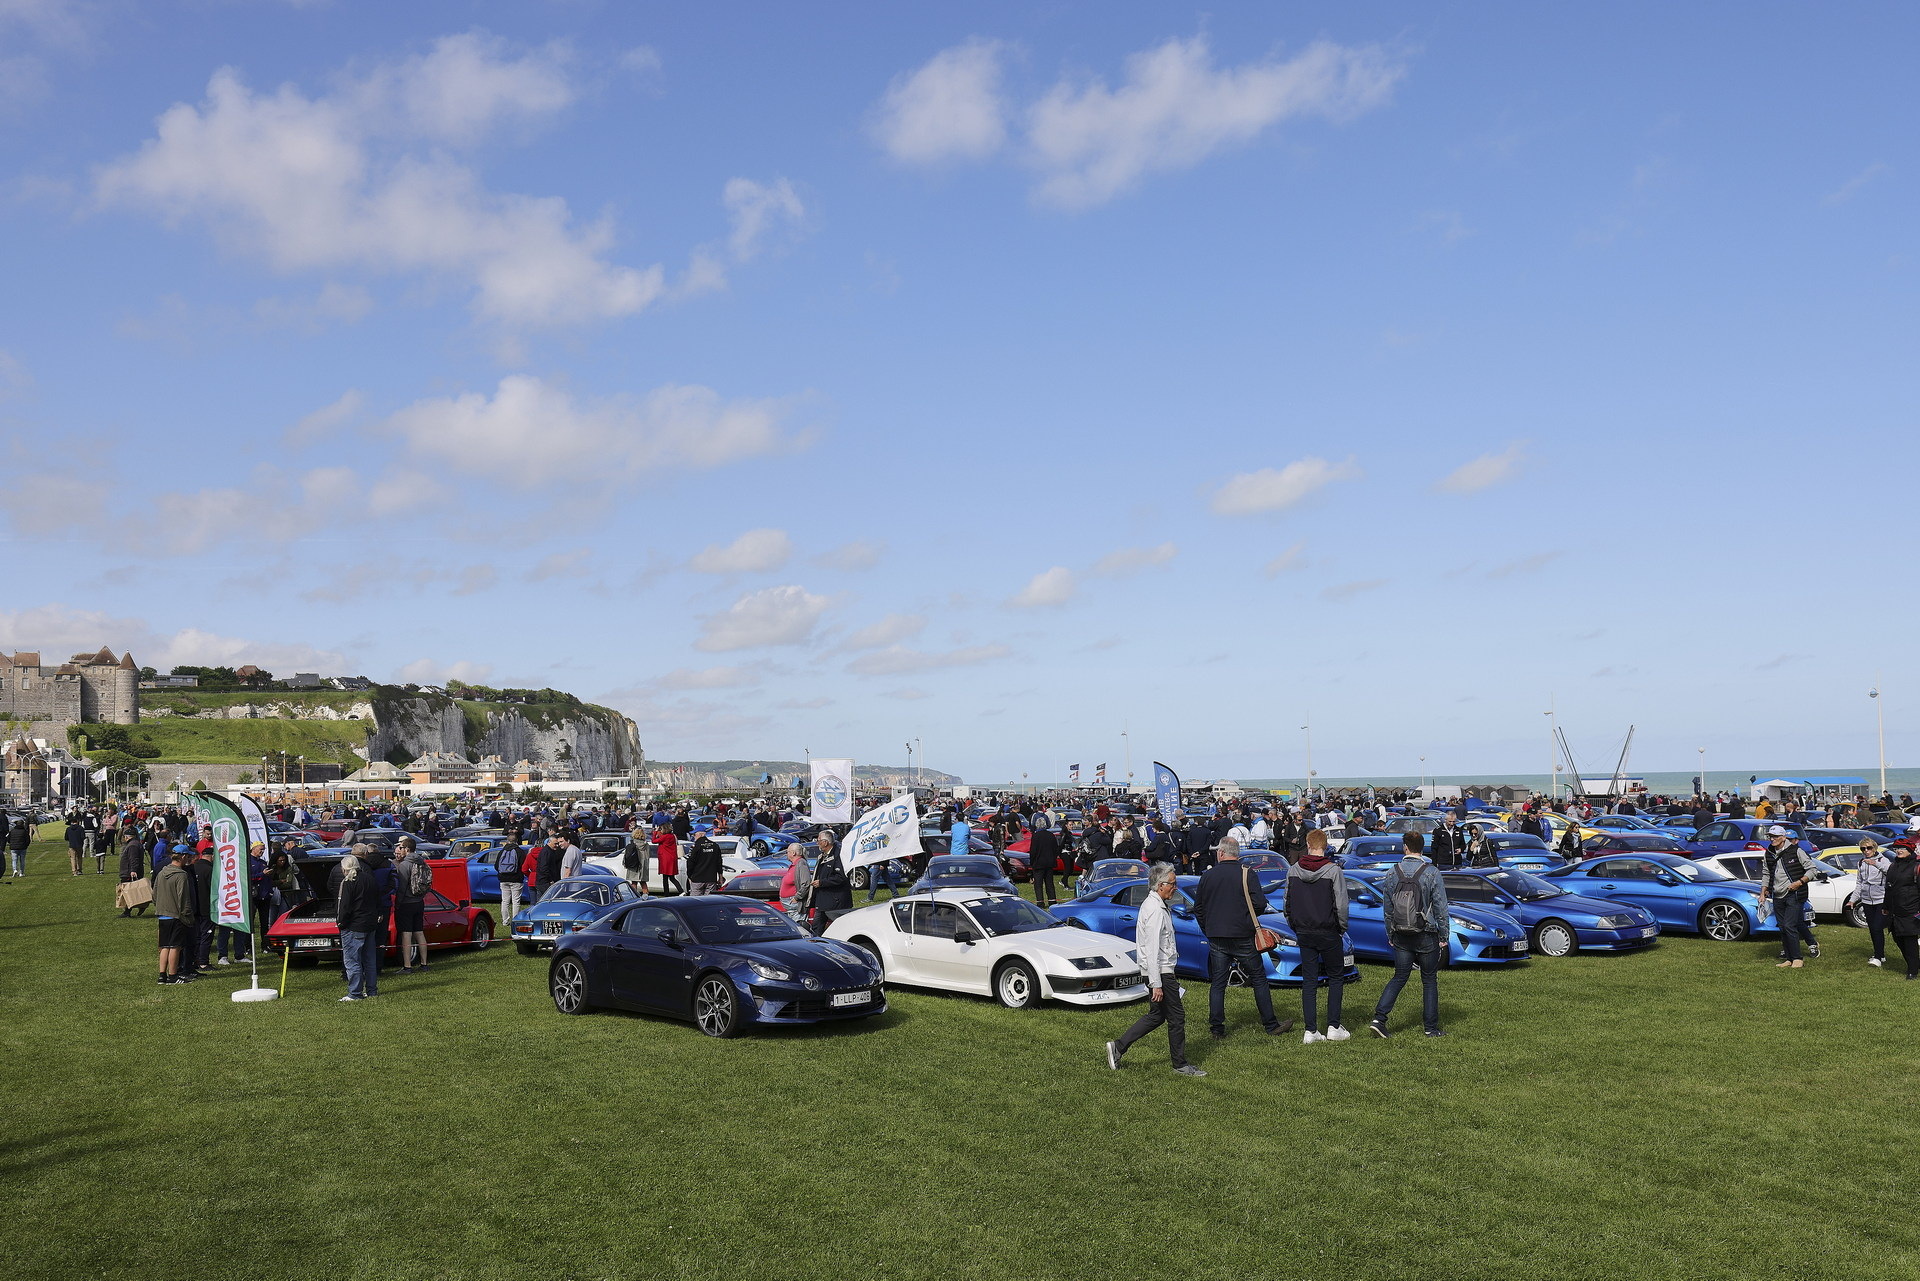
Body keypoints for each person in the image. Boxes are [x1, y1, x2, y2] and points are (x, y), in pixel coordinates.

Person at [1106, 863, 1205, 1076]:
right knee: (1176, 1018)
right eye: (1172, 883)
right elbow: (1151, 950)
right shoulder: (1154, 910)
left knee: (1156, 1016)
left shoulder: (1157, 905)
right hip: (1160, 973)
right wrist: (1156, 983)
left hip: (1161, 972)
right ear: (1160, 885)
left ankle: (1119, 1046)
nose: (1175, 888)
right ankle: (1180, 1064)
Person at [1191, 837, 1291, 1040]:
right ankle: (1270, 1024)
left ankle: (1217, 1029)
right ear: (1237, 853)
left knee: (1218, 982)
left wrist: (1208, 928)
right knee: (1258, 978)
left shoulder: (1208, 875)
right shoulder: (1247, 873)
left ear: (1221, 853)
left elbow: (1199, 908)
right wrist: (1245, 918)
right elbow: (1260, 904)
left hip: (1217, 936)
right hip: (1243, 934)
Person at [1369, 832, 1449, 1038]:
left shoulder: (1392, 872)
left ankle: (1380, 1018)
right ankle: (1430, 1028)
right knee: (1429, 980)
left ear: (1405, 847)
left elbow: (1387, 908)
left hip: (1401, 934)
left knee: (1399, 977)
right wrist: (1444, 936)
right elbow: (1441, 907)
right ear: (1423, 848)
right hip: (1426, 933)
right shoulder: (1432, 872)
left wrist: (1391, 933)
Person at [1287, 830, 1351, 1044]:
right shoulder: (1333, 871)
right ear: (1325, 845)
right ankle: (1333, 1026)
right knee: (1335, 977)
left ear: (1307, 844)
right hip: (1328, 930)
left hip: (1304, 931)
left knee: (1309, 980)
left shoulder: (1293, 870)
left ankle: (1310, 1030)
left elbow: (1287, 903)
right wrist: (1341, 928)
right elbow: (1341, 905)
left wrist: (1294, 925)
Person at [1759, 826, 1819, 968]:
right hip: (1777, 894)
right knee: (1782, 927)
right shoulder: (1769, 853)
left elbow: (1812, 869)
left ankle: (1798, 958)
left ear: (1783, 837)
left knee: (1789, 925)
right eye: (1770, 836)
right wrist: (1763, 891)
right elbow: (1766, 873)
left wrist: (1799, 883)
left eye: (1775, 836)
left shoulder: (1796, 851)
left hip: (1794, 894)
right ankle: (1788, 958)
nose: (1772, 839)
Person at [392, 838, 432, 974]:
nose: (400, 850)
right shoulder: (422, 862)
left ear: (407, 849)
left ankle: (407, 966)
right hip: (419, 901)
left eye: (402, 847)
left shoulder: (404, 865)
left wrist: (398, 903)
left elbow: (402, 887)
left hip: (406, 903)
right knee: (419, 932)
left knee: (406, 935)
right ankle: (424, 963)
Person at [1884, 843, 1920, 980]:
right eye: (1897, 848)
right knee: (1898, 938)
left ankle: (1912, 971)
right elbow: (1888, 888)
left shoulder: (1916, 867)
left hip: (1911, 910)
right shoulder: (1893, 866)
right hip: (1895, 910)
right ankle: (1915, 963)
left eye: (1902, 848)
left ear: (1910, 851)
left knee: (1909, 940)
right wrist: (1886, 907)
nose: (1899, 851)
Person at [1855, 837, 1891, 967]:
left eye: (1868, 848)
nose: (1866, 851)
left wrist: (1875, 864)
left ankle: (1877, 956)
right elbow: (1859, 883)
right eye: (1863, 849)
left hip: (1881, 899)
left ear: (1874, 848)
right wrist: (1852, 900)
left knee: (1877, 927)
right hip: (1866, 901)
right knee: (1873, 929)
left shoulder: (1883, 860)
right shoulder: (1860, 863)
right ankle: (1880, 955)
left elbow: (1890, 872)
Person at [808, 831, 852, 934]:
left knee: (840, 928)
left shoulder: (839, 855)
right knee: (816, 927)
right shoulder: (823, 856)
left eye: (818, 841)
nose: (817, 843)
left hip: (835, 902)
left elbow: (841, 877)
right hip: (823, 900)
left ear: (825, 842)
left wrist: (822, 883)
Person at [1028, 820, 1062, 907]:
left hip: (1038, 863)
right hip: (1049, 863)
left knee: (1038, 885)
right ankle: (1052, 901)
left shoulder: (1035, 836)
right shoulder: (1051, 835)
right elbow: (1056, 849)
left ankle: (1040, 902)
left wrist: (1032, 863)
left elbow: (1033, 851)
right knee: (1049, 883)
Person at [686, 829, 725, 896]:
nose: (694, 837)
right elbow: (719, 862)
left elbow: (690, 863)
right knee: (709, 902)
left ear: (700, 834)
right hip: (711, 878)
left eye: (694, 834)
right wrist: (720, 877)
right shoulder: (715, 845)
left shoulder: (695, 847)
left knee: (695, 902)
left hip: (697, 879)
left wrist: (689, 876)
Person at [781, 845, 813, 919]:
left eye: (787, 852)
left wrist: (797, 897)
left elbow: (806, 883)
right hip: (791, 907)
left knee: (797, 927)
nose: (786, 854)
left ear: (793, 853)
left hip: (796, 906)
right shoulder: (795, 864)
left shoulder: (801, 863)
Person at [650, 825, 680, 895]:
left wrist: (655, 832)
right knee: (671, 877)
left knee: (665, 878)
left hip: (665, 859)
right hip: (671, 858)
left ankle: (667, 893)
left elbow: (653, 841)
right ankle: (680, 891)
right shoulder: (672, 836)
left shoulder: (665, 837)